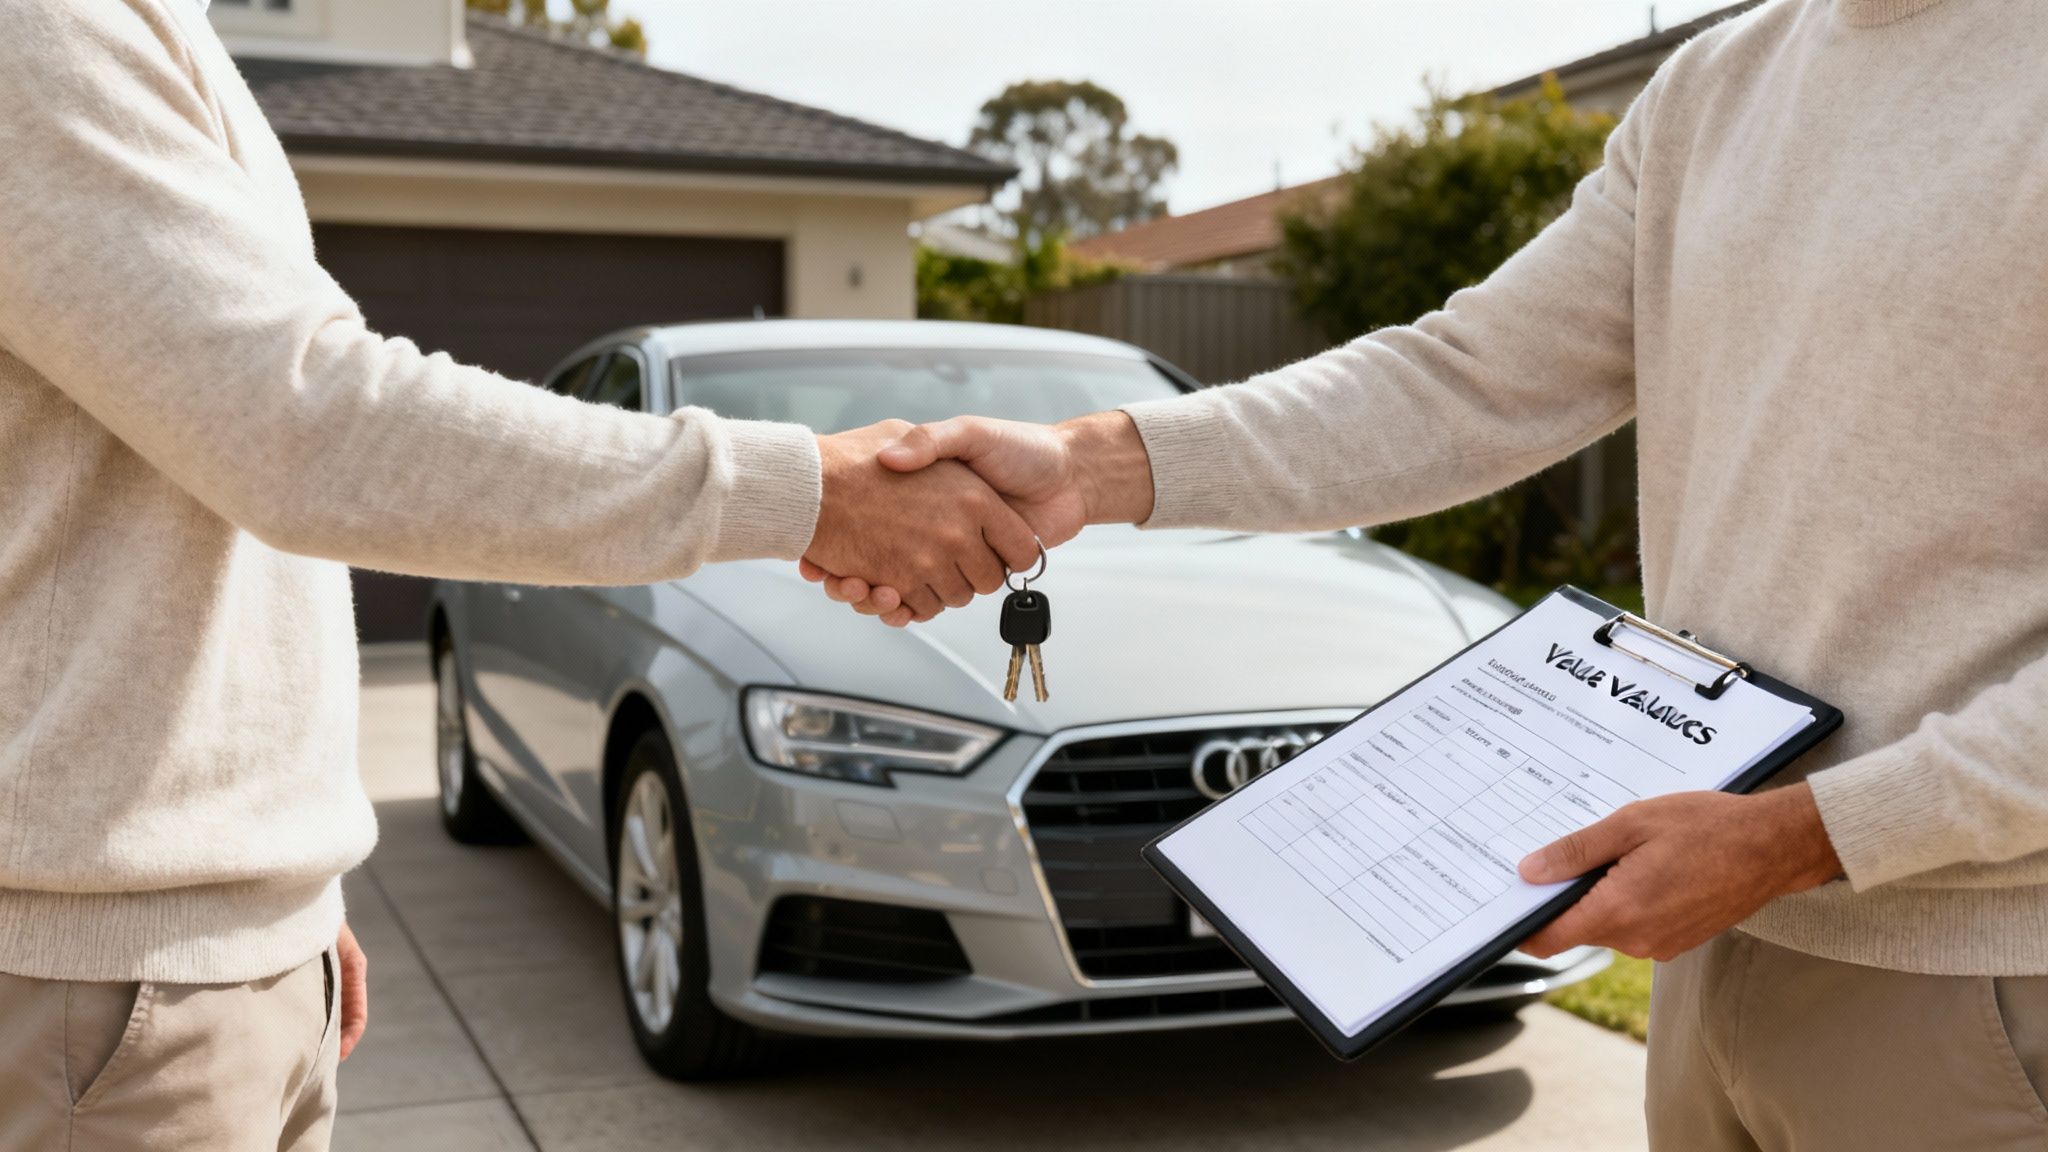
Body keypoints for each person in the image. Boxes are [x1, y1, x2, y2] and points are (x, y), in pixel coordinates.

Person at [808, 1, 2048, 1147]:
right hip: (1715, 943)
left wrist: (1806, 835)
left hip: (1975, 979)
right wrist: (1088, 462)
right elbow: (1461, 382)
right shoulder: (1714, 88)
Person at [0, 0, 1037, 1146]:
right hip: (95, 989)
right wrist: (811, 494)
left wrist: (284, 895)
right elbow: (306, 427)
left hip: (194, 957)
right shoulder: (37, 29)